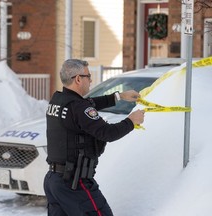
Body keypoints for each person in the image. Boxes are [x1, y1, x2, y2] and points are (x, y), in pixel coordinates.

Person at [44, 59, 145, 216]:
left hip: (54, 181)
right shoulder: (78, 107)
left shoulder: (58, 100)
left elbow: (90, 104)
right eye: (88, 76)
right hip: (75, 183)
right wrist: (131, 121)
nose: (91, 80)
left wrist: (120, 96)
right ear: (78, 79)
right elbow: (108, 133)